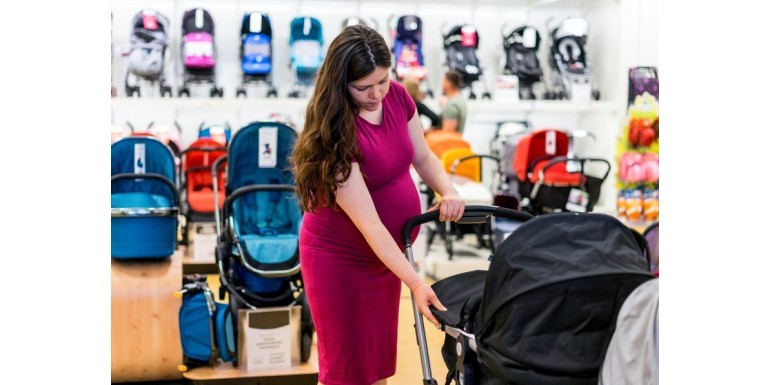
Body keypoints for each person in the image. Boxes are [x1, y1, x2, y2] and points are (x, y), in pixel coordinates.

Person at [290, 24, 466, 385]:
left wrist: (448, 191)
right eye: (363, 88)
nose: (376, 94)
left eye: (382, 81)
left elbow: (423, 155)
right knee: (344, 369)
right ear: (340, 84)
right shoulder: (335, 135)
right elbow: (371, 226)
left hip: (385, 258)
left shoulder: (398, 97)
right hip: (339, 259)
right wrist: (417, 283)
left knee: (374, 365)